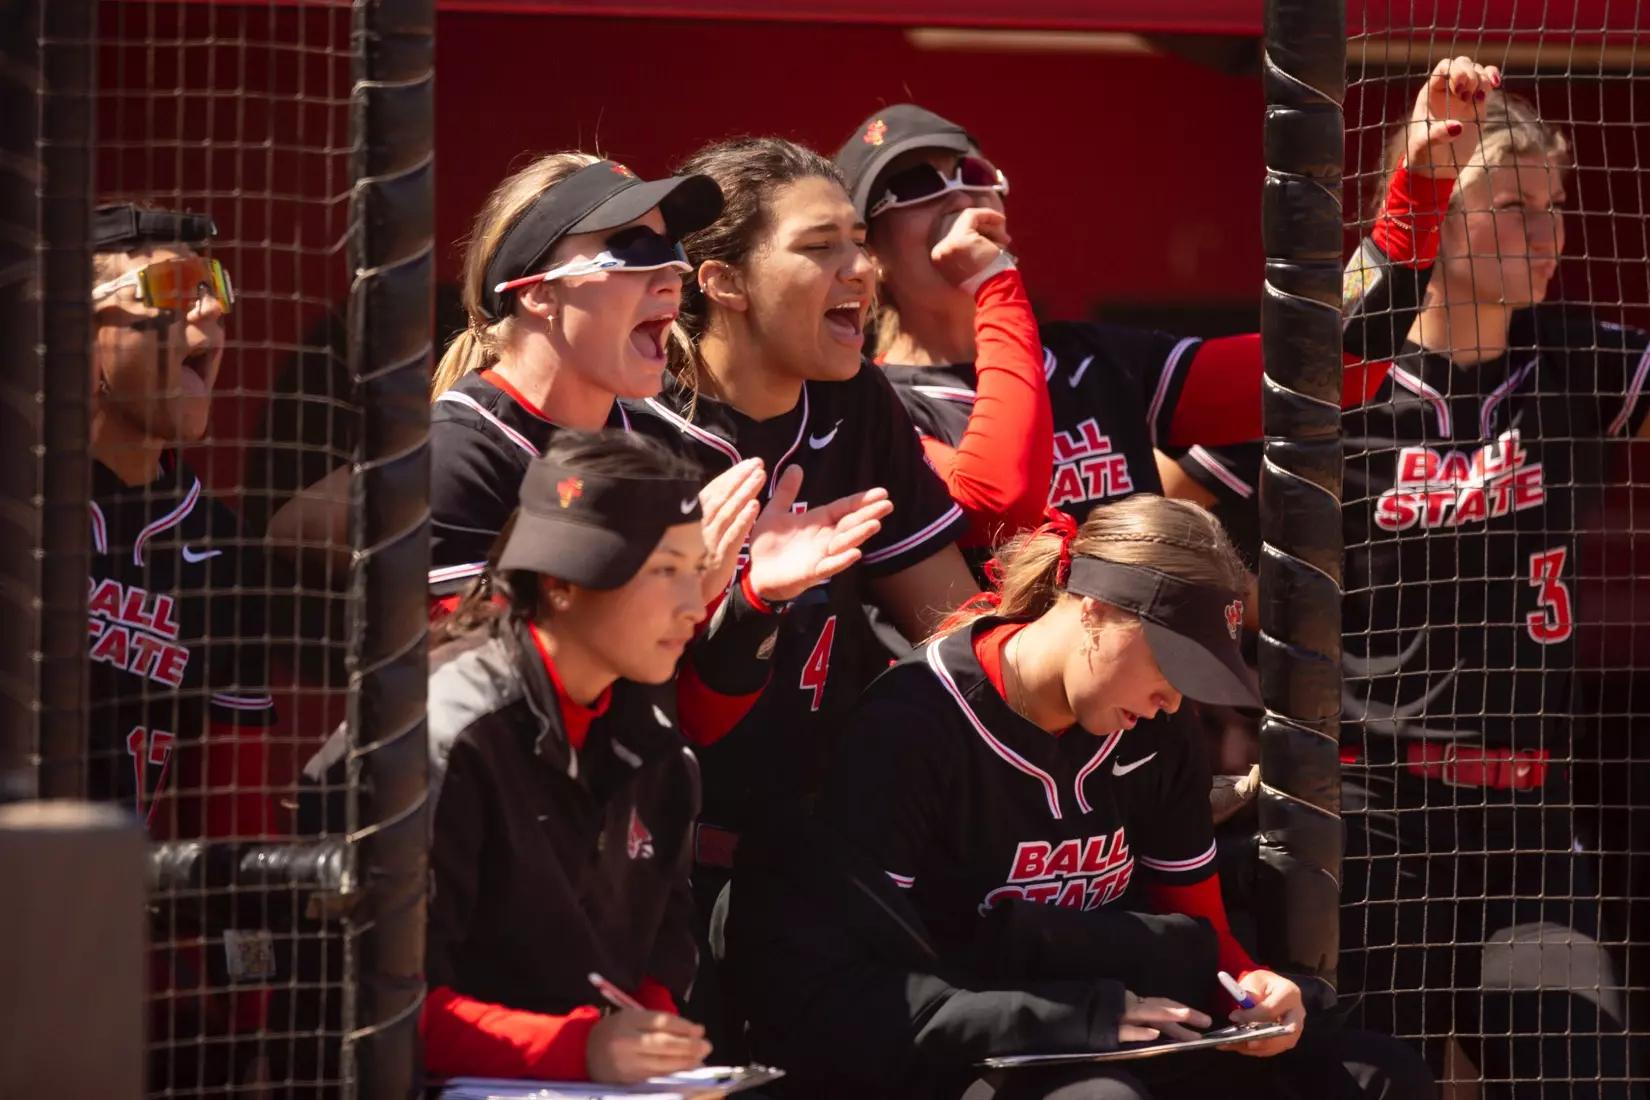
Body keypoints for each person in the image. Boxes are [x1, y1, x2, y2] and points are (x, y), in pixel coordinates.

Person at [1161, 78, 1648, 1099]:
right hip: (1374, 811)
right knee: (1382, 1080)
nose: (1547, 230)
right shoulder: (1338, 383)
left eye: (1555, 204)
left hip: (1528, 815)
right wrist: (1227, 700)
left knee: (1585, 1078)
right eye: (1513, 205)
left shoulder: (1578, 360)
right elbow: (1167, 519)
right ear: (1438, 219)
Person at [725, 495, 1435, 1100]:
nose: (1171, 698)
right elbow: (853, 996)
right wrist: (1059, 1016)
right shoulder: (914, 724)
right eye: (1170, 664)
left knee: (1376, 1073)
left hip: (1116, 1022)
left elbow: (1199, 925)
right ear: (1094, 610)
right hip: (962, 1048)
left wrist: (1249, 989)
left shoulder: (1157, 727)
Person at [836, 66, 1493, 545]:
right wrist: (995, 287)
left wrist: (1421, 188)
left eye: (973, 175)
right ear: (869, 253)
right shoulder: (863, 406)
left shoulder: (1096, 362)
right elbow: (997, 504)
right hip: (978, 732)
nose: (958, 199)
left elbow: (1335, 370)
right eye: (916, 185)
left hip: (1146, 730)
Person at [625, 137, 978, 863]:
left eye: (858, 240)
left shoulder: (856, 399)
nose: (862, 268)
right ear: (724, 282)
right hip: (650, 856)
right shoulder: (627, 417)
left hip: (814, 851)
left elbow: (950, 629)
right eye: (820, 246)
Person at [414, 430, 721, 1083]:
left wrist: (654, 1054)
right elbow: (383, 1007)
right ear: (560, 582)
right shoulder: (449, 730)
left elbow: (654, 972)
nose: (695, 606)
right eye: (665, 570)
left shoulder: (659, 750)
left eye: (697, 571)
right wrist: (581, 1050)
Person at [85, 202, 281, 1090]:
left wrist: (246, 997)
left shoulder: (224, 547)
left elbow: (229, 791)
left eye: (218, 292)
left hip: (135, 974)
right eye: (174, 289)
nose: (212, 314)